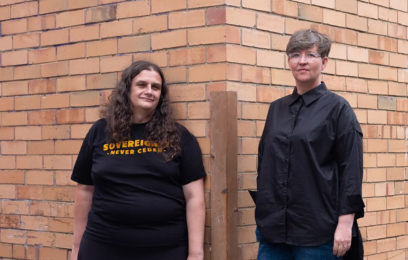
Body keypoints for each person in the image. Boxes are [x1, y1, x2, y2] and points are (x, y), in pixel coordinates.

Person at [71, 61, 206, 260]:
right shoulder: (100, 131)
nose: (149, 91)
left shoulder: (179, 136)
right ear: (127, 90)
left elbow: (195, 197)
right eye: (142, 85)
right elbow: (84, 191)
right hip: (103, 245)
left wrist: (196, 254)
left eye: (156, 87)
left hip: (163, 249)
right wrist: (76, 247)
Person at [255, 29, 364, 260]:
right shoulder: (276, 109)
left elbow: (351, 170)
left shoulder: (338, 109)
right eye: (295, 55)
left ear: (324, 62)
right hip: (274, 232)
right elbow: (265, 164)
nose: (302, 61)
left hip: (317, 234)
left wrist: (345, 224)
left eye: (310, 55)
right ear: (289, 62)